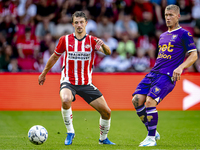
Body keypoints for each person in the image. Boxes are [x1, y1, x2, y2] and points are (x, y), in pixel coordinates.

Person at [38, 11, 115, 146]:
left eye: (81, 22)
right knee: (66, 99)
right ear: (73, 24)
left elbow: (108, 52)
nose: (79, 25)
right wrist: (44, 73)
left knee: (107, 112)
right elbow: (54, 57)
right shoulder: (65, 40)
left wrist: (103, 45)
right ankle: (70, 132)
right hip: (68, 81)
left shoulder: (92, 41)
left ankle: (103, 139)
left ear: (86, 23)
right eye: (76, 22)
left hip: (86, 84)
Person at [132, 4, 198, 147]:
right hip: (154, 73)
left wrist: (180, 68)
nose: (168, 18)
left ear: (178, 16)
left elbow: (194, 55)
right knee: (136, 100)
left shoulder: (184, 34)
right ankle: (153, 131)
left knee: (150, 102)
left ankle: (151, 139)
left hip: (167, 75)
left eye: (171, 15)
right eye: (166, 15)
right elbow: (162, 56)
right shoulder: (162, 35)